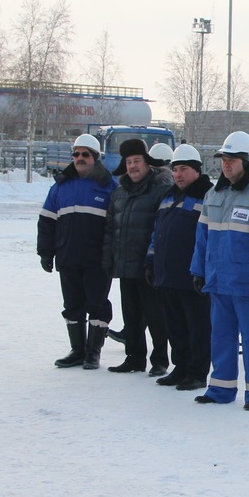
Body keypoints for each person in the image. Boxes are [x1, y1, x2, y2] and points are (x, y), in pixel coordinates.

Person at [190, 132, 249, 408]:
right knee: (220, 336)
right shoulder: (213, 194)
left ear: (245, 161)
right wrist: (198, 270)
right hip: (219, 280)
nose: (226, 165)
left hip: (247, 282)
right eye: (223, 160)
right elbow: (202, 238)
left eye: (231, 160)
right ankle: (220, 388)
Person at [37, 134, 117, 370]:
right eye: (76, 154)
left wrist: (112, 255)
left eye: (85, 154)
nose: (80, 158)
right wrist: (45, 252)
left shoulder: (110, 187)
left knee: (97, 304)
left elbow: (117, 227)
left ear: (95, 157)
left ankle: (93, 353)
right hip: (68, 256)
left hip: (98, 260)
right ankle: (77, 350)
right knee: (72, 304)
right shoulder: (60, 186)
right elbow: (47, 221)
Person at [102, 138, 173, 376]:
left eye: (137, 161)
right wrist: (108, 257)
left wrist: (155, 261)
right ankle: (134, 358)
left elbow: (162, 229)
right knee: (131, 317)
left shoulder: (160, 191)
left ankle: (160, 361)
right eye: (129, 162)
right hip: (125, 265)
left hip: (149, 267)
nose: (133, 166)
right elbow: (111, 228)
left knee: (156, 317)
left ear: (147, 164)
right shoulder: (119, 193)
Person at [147, 144, 214, 391]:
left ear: (196, 170)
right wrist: (151, 260)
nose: (178, 174)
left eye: (183, 169)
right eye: (175, 169)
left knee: (197, 326)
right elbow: (157, 231)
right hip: (167, 273)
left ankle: (197, 372)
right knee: (175, 326)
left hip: (192, 275)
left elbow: (210, 237)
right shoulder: (168, 196)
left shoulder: (208, 195)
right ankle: (181, 367)